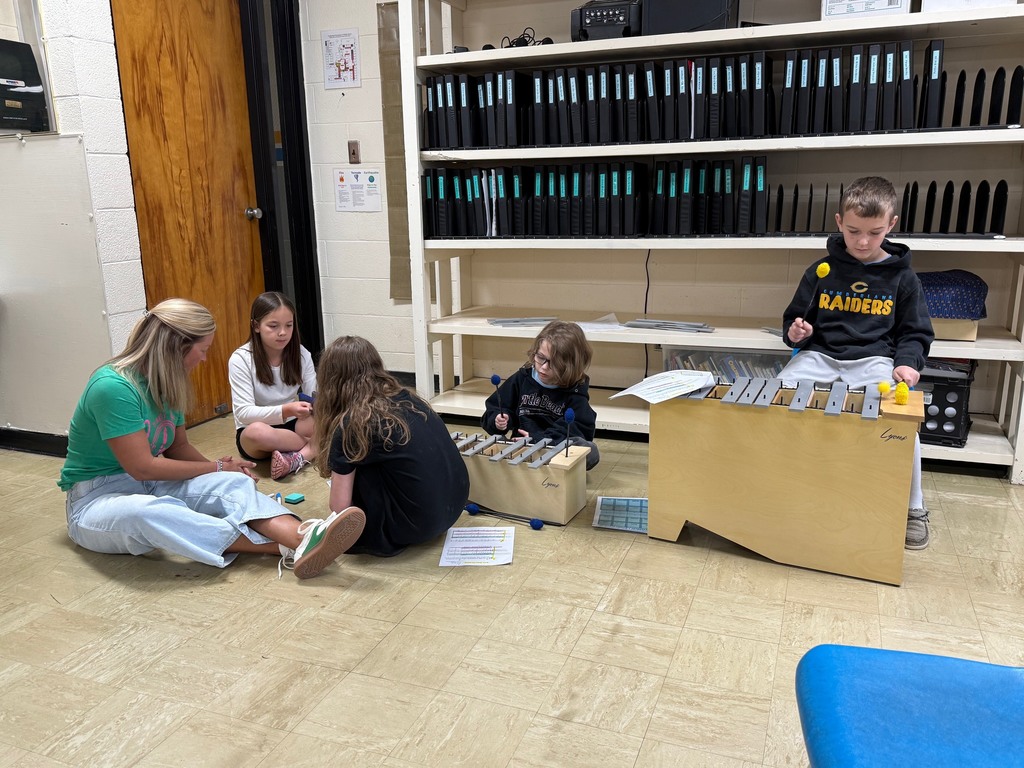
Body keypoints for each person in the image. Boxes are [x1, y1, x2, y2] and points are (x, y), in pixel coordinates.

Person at [58, 298, 365, 579]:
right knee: (150, 513)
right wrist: (215, 467)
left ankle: (304, 535)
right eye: (203, 350)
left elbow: (178, 448)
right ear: (177, 346)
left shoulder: (167, 382)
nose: (204, 359)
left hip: (152, 484)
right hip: (96, 499)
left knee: (233, 483)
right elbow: (143, 467)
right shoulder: (113, 387)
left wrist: (222, 473)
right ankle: (284, 546)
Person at [781, 176, 934, 549]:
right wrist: (796, 333)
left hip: (874, 361)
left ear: (891, 225)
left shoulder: (904, 278)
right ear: (839, 222)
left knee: (902, 422)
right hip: (819, 355)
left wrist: (907, 363)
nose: (863, 242)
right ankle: (782, 486)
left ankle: (914, 508)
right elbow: (794, 321)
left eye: (874, 233)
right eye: (853, 232)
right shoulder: (820, 271)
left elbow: (915, 333)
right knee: (775, 397)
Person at [311, 335, 470, 557]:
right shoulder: (409, 399)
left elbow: (339, 507)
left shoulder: (353, 423)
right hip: (454, 508)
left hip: (418, 525)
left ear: (330, 382)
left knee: (360, 467)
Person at [481, 319, 600, 470]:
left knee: (590, 450)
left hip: (554, 450)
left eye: (554, 363)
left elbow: (580, 429)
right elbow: (495, 407)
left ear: (570, 366)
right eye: (540, 357)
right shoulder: (523, 378)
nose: (543, 367)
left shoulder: (575, 391)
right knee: (494, 443)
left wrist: (539, 440)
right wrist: (498, 420)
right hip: (521, 446)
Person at [229, 292, 317, 481]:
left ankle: (295, 458)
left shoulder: (301, 354)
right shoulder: (241, 359)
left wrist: (316, 408)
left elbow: (314, 396)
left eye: (289, 325)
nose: (283, 332)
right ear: (256, 326)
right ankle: (312, 448)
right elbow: (243, 413)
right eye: (273, 326)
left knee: (332, 420)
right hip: (257, 433)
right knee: (258, 433)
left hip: (294, 424)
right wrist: (286, 410)